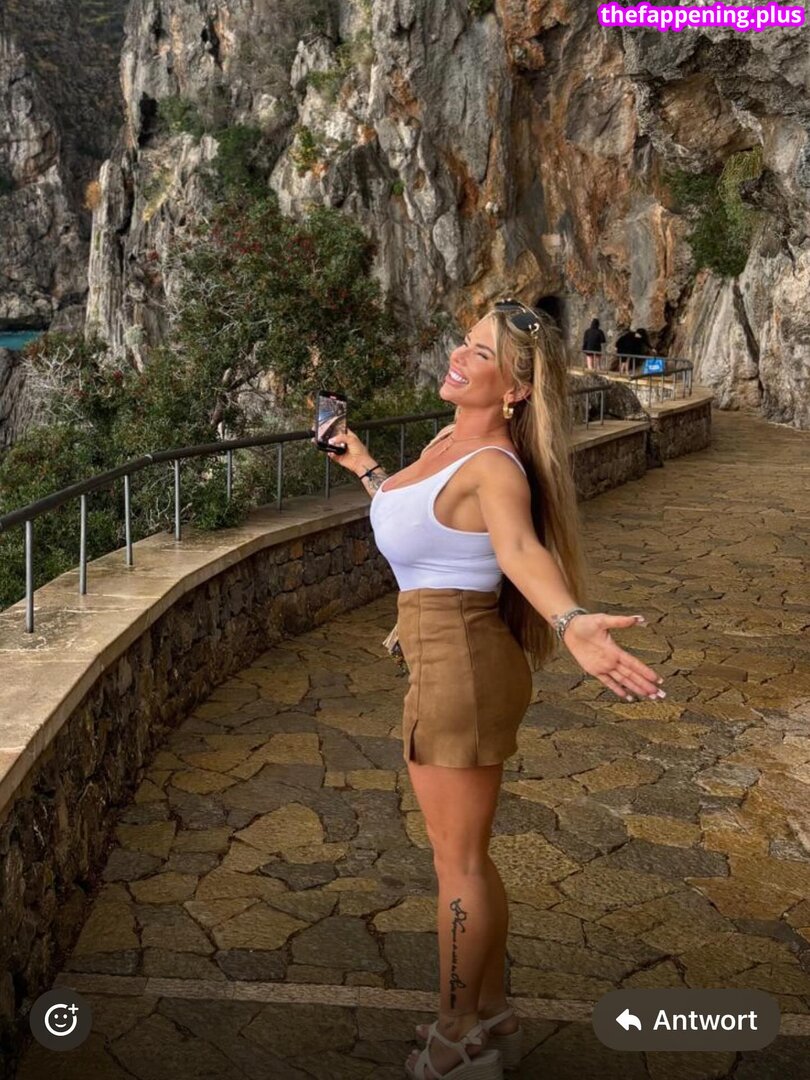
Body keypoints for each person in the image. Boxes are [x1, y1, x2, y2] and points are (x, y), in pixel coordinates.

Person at [320, 297, 666, 1079]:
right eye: (465, 342)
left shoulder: (494, 467)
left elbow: (518, 549)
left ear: (514, 389)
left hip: (462, 669)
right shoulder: (448, 443)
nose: (459, 355)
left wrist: (571, 619)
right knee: (466, 859)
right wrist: (363, 464)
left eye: (481, 354)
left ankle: (453, 1038)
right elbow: (418, 521)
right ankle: (493, 1013)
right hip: (444, 662)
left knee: (459, 866)